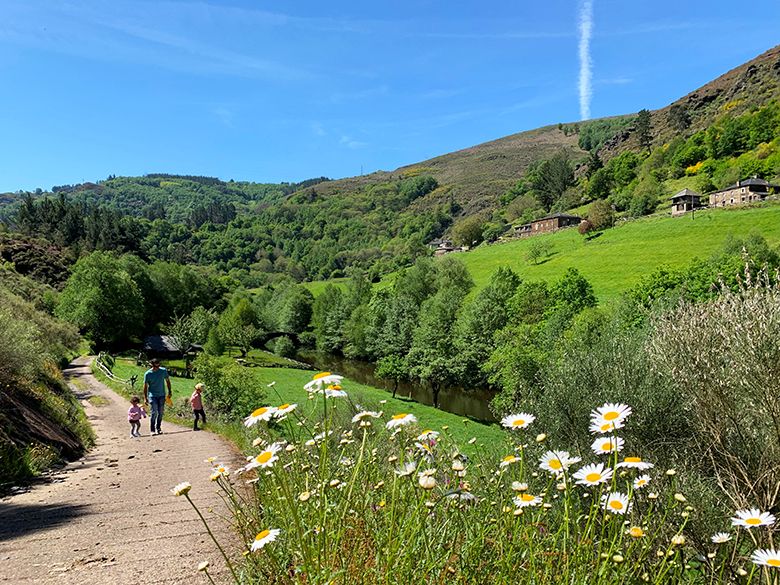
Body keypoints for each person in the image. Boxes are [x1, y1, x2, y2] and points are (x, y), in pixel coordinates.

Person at [143, 358, 171, 435]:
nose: (157, 368)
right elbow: (145, 386)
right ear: (152, 365)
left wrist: (169, 391)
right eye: (155, 366)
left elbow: (168, 381)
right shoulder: (148, 374)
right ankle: (152, 430)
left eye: (158, 366)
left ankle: (158, 428)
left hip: (162, 395)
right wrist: (145, 397)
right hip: (152, 396)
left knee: (161, 413)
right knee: (154, 412)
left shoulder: (163, 371)